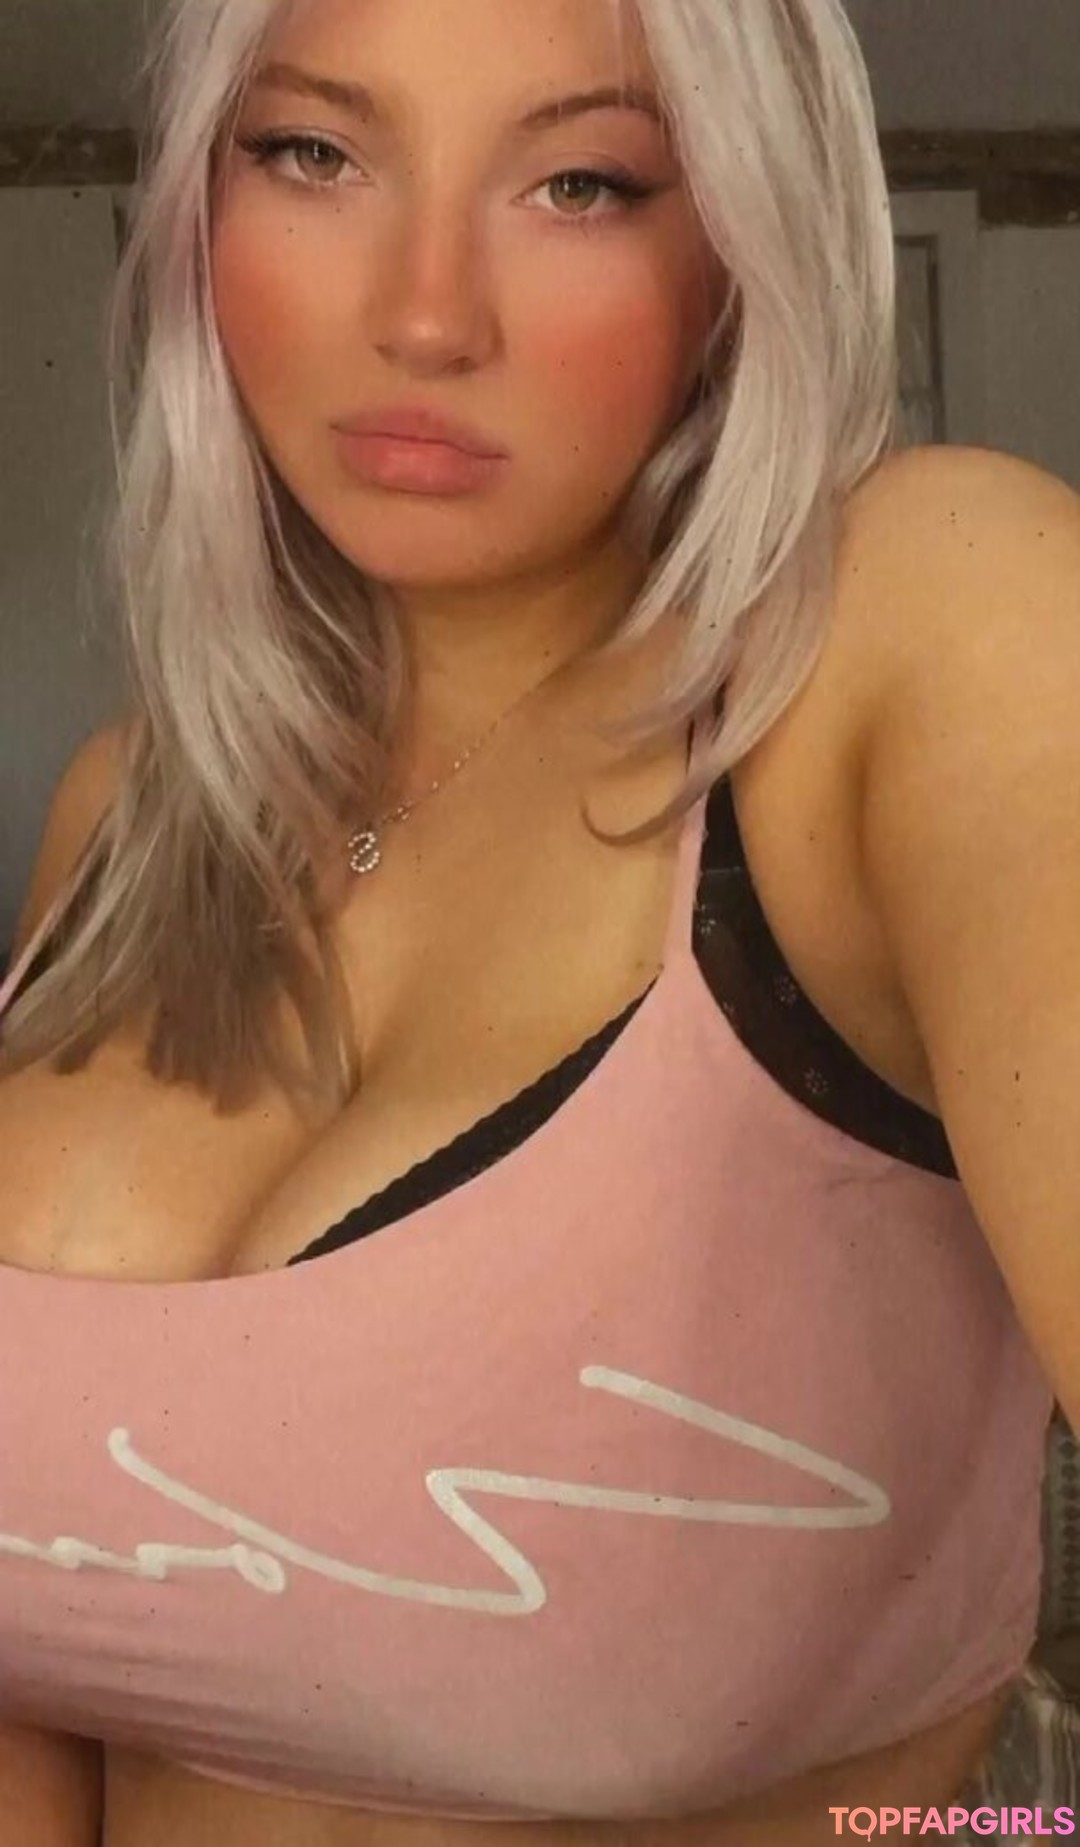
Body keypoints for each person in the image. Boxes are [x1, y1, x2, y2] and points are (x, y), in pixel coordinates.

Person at [0, 0, 1078, 1842]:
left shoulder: (917, 638)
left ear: (740, 240)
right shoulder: (133, 821)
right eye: (315, 154)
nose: (426, 316)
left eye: (581, 183)